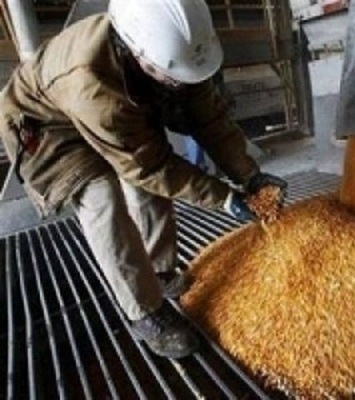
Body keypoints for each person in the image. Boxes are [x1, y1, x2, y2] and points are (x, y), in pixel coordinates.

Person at [0, 0, 287, 358]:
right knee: (103, 199)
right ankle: (146, 313)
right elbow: (149, 167)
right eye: (172, 78)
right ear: (135, 52)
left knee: (149, 190)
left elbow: (210, 118)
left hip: (111, 101)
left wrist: (249, 176)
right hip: (48, 125)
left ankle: (160, 273)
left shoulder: (175, 56)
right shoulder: (94, 83)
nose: (180, 83)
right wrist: (225, 199)